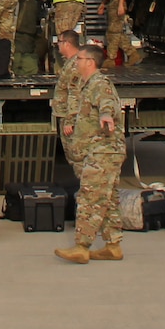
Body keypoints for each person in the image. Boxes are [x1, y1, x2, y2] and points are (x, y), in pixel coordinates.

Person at [56, 44, 126, 264]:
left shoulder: (99, 83)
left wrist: (106, 115)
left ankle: (82, 246)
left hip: (103, 151)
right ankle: (113, 246)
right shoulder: (87, 85)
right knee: (108, 200)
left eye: (79, 59)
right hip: (101, 151)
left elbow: (108, 104)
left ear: (90, 62)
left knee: (90, 197)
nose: (76, 62)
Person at [51, 29, 83, 163]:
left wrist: (70, 120)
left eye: (59, 42)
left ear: (67, 44)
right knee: (72, 156)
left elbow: (75, 94)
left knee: (77, 156)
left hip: (71, 119)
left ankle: (85, 183)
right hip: (65, 115)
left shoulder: (75, 65)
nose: (57, 45)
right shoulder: (70, 63)